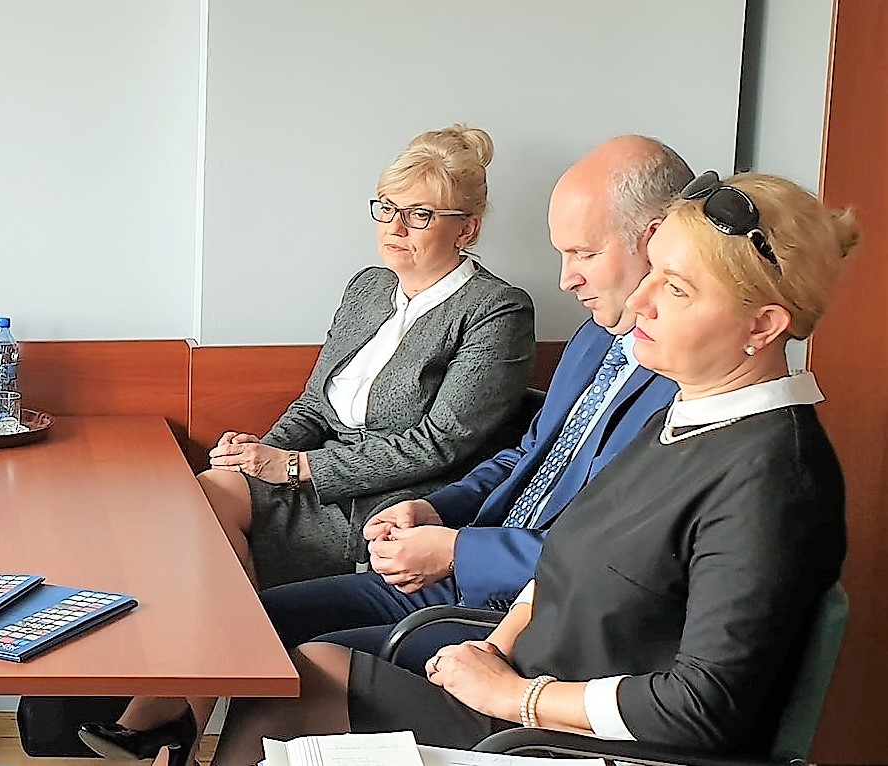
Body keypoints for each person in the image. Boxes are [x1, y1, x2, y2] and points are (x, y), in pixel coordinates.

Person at [207, 170, 855, 763]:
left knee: (300, 686)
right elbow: (564, 557)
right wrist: (494, 646)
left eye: (676, 288)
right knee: (305, 670)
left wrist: (513, 695)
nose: (641, 300)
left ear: (763, 326)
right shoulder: (686, 419)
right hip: (526, 680)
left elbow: (700, 709)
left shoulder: (774, 477)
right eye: (652, 272)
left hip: (573, 739)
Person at [80, 125, 536, 763]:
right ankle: (175, 713)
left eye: (419, 214)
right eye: (386, 207)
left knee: (217, 520)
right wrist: (257, 457)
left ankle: (169, 714)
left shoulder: (497, 310)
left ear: (468, 229)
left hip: (394, 505)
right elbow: (317, 403)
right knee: (209, 493)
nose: (394, 227)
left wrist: (294, 467)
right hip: (319, 480)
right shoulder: (368, 288)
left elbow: (441, 445)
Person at [255, 136, 692, 674]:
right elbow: (528, 456)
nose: (565, 279)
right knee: (248, 621)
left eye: (583, 254)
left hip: (534, 614)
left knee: (305, 668)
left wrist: (458, 550)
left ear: (655, 242)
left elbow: (611, 553)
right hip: (461, 569)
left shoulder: (686, 381)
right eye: (387, 209)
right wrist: (438, 511)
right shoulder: (595, 337)